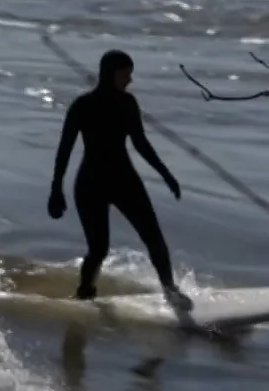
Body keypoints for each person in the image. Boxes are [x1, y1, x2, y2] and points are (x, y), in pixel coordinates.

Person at [47, 49, 186, 305]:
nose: (129, 80)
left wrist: (166, 174)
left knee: (154, 238)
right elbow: (64, 149)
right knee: (98, 250)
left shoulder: (128, 103)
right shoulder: (82, 106)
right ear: (110, 73)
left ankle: (170, 291)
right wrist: (56, 188)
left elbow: (141, 144)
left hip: (125, 180)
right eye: (125, 75)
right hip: (91, 185)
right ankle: (85, 294)